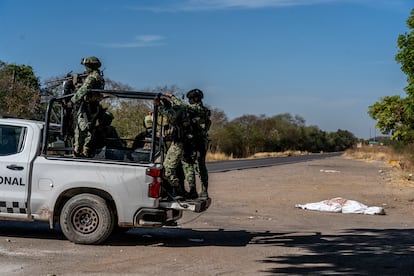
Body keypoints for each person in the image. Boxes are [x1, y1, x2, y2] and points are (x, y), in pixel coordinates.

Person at [167, 89, 211, 199]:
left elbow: (182, 105)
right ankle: (203, 191)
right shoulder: (205, 110)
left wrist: (172, 97)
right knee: (200, 166)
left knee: (188, 165)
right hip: (201, 142)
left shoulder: (194, 108)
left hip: (193, 141)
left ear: (193, 99)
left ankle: (193, 190)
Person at [153, 95, 189, 200]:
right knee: (174, 168)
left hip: (179, 143)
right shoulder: (180, 107)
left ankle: (178, 192)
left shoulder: (178, 109)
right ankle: (173, 191)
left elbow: (171, 116)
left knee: (168, 170)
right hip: (176, 143)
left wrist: (160, 106)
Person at [70, 56, 105, 157]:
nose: (85, 68)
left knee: (81, 128)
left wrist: (73, 100)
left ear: (90, 66)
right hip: (94, 107)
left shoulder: (92, 77)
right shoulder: (99, 77)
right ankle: (85, 150)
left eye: (86, 66)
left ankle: (78, 150)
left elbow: (84, 90)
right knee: (89, 128)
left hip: (88, 107)